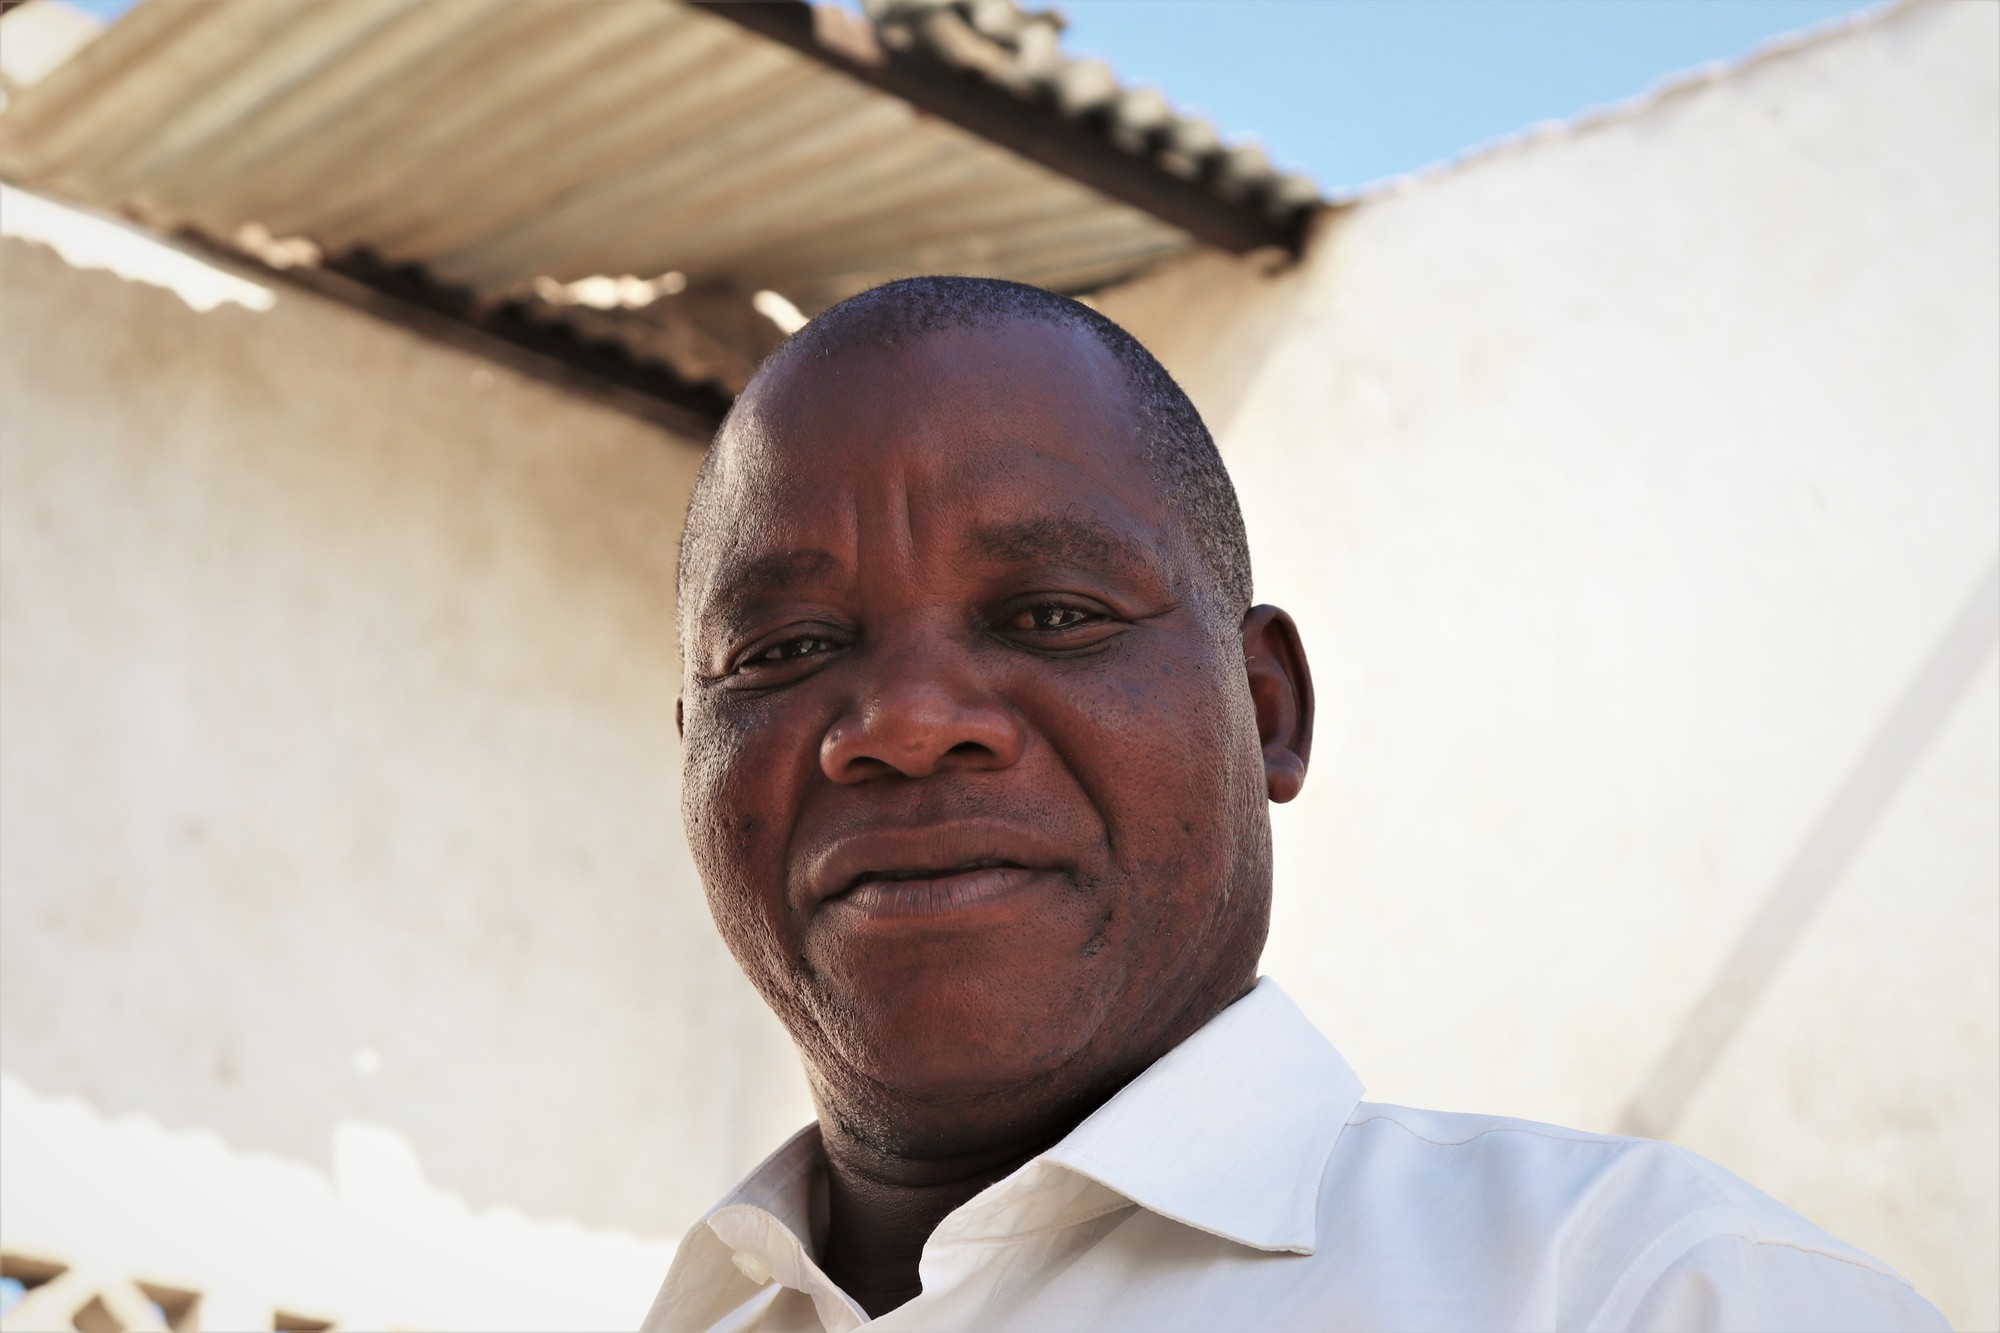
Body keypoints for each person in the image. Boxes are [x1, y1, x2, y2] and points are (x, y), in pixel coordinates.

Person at [641, 277, 1947, 1332]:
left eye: (1051, 613)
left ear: (1268, 707)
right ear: (694, 756)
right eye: (784, 649)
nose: (909, 723)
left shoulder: (1658, 1292)